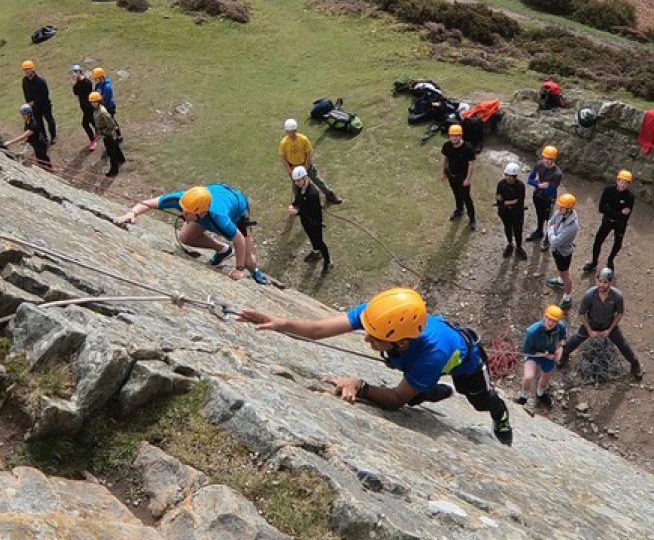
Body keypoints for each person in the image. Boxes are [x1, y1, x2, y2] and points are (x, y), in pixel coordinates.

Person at [238, 288, 514, 445]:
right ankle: (428, 390)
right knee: (416, 390)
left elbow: (395, 400)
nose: (367, 338)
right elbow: (319, 328)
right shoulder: (381, 315)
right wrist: (279, 323)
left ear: (402, 342)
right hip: (425, 361)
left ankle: (500, 414)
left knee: (479, 401)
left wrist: (361, 386)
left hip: (466, 365)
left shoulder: (431, 353)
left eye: (376, 338)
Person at [114, 184, 269, 284]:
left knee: (248, 260)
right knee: (185, 237)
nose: (182, 212)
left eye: (186, 212)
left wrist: (239, 268)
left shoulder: (219, 218)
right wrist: (132, 213)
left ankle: (255, 272)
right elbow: (149, 203)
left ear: (200, 213)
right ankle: (222, 250)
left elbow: (239, 239)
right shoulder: (185, 200)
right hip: (215, 195)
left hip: (237, 208)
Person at [560, 268, 643, 380]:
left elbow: (619, 313)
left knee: (622, 344)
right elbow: (581, 314)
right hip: (591, 322)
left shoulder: (617, 296)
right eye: (600, 281)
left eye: (605, 282)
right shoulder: (589, 295)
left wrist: (610, 330)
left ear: (610, 282)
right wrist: (589, 330)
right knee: (576, 339)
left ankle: (634, 363)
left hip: (608, 324)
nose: (602, 285)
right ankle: (564, 354)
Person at [278, 119, 342, 205]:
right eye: (289, 132)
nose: (291, 134)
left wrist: (306, 165)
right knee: (296, 186)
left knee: (317, 179)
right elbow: (283, 157)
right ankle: (298, 202)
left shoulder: (303, 139)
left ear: (296, 130)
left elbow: (308, 152)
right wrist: (289, 170)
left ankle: (329, 195)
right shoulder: (284, 143)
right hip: (293, 167)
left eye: (293, 132)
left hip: (305, 164)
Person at [584, 170, 635, 273]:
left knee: (617, 243)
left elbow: (625, 217)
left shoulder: (630, 197)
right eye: (621, 182)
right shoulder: (608, 190)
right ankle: (594, 263)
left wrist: (610, 210)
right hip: (607, 221)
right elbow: (601, 208)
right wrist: (619, 213)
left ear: (628, 184)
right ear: (617, 180)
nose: (623, 185)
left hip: (620, 225)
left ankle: (610, 260)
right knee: (598, 241)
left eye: (626, 183)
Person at [518, 304, 567, 406]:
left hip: (549, 353)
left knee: (547, 375)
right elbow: (526, 349)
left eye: (554, 321)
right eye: (549, 319)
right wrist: (542, 354)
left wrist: (561, 348)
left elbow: (563, 337)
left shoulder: (560, 326)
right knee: (528, 376)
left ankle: (540, 393)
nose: (551, 323)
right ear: (544, 317)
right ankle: (523, 396)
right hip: (533, 354)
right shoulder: (532, 331)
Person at [289, 166, 330, 270]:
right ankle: (316, 252)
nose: (297, 183)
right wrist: (293, 205)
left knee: (319, 241)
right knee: (310, 236)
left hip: (315, 221)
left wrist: (297, 211)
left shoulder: (312, 193)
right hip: (306, 220)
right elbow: (299, 199)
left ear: (305, 178)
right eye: (295, 181)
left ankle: (328, 261)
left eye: (298, 180)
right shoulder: (300, 188)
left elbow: (311, 212)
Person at [441, 124, 478, 229]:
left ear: (461, 136)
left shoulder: (467, 148)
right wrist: (442, 173)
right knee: (456, 193)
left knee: (466, 197)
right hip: (452, 174)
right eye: (452, 136)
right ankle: (459, 210)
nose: (454, 138)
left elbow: (471, 164)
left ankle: (472, 219)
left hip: (463, 177)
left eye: (456, 136)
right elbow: (444, 159)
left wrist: (468, 179)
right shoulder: (447, 146)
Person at [543, 193, 580, 294]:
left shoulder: (572, 227)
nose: (559, 208)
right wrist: (552, 230)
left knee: (565, 275)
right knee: (562, 272)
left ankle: (567, 296)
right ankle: (560, 281)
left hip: (563, 254)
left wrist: (550, 231)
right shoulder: (561, 213)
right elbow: (550, 222)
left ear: (569, 209)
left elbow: (554, 242)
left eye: (562, 207)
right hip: (558, 251)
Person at [526, 146, 563, 242]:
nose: (546, 161)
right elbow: (530, 180)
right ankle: (539, 231)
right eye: (545, 158)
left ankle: (548, 237)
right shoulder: (539, 164)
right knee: (539, 214)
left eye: (549, 159)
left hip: (548, 199)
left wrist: (539, 185)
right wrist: (540, 185)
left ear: (553, 159)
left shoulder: (557, 174)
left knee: (549, 219)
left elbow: (551, 190)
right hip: (538, 195)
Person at [21, 61, 58, 150]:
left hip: (45, 105)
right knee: (39, 123)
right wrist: (28, 103)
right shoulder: (24, 81)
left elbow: (45, 94)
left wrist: (34, 102)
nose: (26, 72)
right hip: (34, 107)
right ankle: (44, 138)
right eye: (25, 70)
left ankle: (53, 136)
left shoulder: (40, 80)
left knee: (49, 120)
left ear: (32, 69)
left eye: (28, 69)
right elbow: (26, 93)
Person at [3, 103, 52, 169]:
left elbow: (23, 135)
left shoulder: (33, 125)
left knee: (42, 158)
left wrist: (10, 142)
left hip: (39, 144)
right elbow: (27, 135)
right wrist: (26, 140)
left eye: (24, 114)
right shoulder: (27, 121)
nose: (22, 116)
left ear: (29, 114)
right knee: (40, 157)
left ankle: (48, 169)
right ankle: (47, 168)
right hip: (35, 143)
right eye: (22, 114)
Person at [495, 163, 528, 260]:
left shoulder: (520, 186)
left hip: (517, 213)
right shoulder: (501, 184)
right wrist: (507, 203)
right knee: (507, 228)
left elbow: (519, 201)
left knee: (518, 230)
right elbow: (498, 198)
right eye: (507, 176)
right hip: (505, 212)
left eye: (512, 176)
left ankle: (519, 247)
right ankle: (510, 244)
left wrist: (505, 202)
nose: (509, 178)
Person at [91, 92, 124, 176]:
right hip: (105, 132)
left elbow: (111, 122)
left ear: (98, 101)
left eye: (94, 102)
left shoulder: (102, 111)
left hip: (107, 133)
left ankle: (114, 170)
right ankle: (121, 158)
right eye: (91, 102)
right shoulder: (97, 109)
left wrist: (107, 131)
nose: (92, 103)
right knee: (114, 146)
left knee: (111, 151)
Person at [69, 65, 98, 150]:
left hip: (89, 106)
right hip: (84, 106)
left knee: (85, 124)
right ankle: (98, 130)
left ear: (78, 72)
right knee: (92, 120)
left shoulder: (86, 82)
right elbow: (75, 93)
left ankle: (93, 141)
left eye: (73, 73)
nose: (72, 75)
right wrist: (74, 84)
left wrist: (75, 85)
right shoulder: (77, 83)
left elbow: (83, 94)